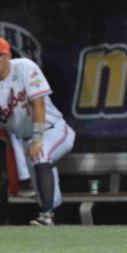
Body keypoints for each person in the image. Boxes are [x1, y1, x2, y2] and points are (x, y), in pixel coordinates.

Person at [0, 37, 75, 226]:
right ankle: (53, 217)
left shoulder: (24, 67)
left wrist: (38, 137)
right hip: (27, 140)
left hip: (53, 129)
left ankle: (47, 215)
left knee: (41, 154)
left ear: (7, 55)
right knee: (47, 196)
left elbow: (38, 103)